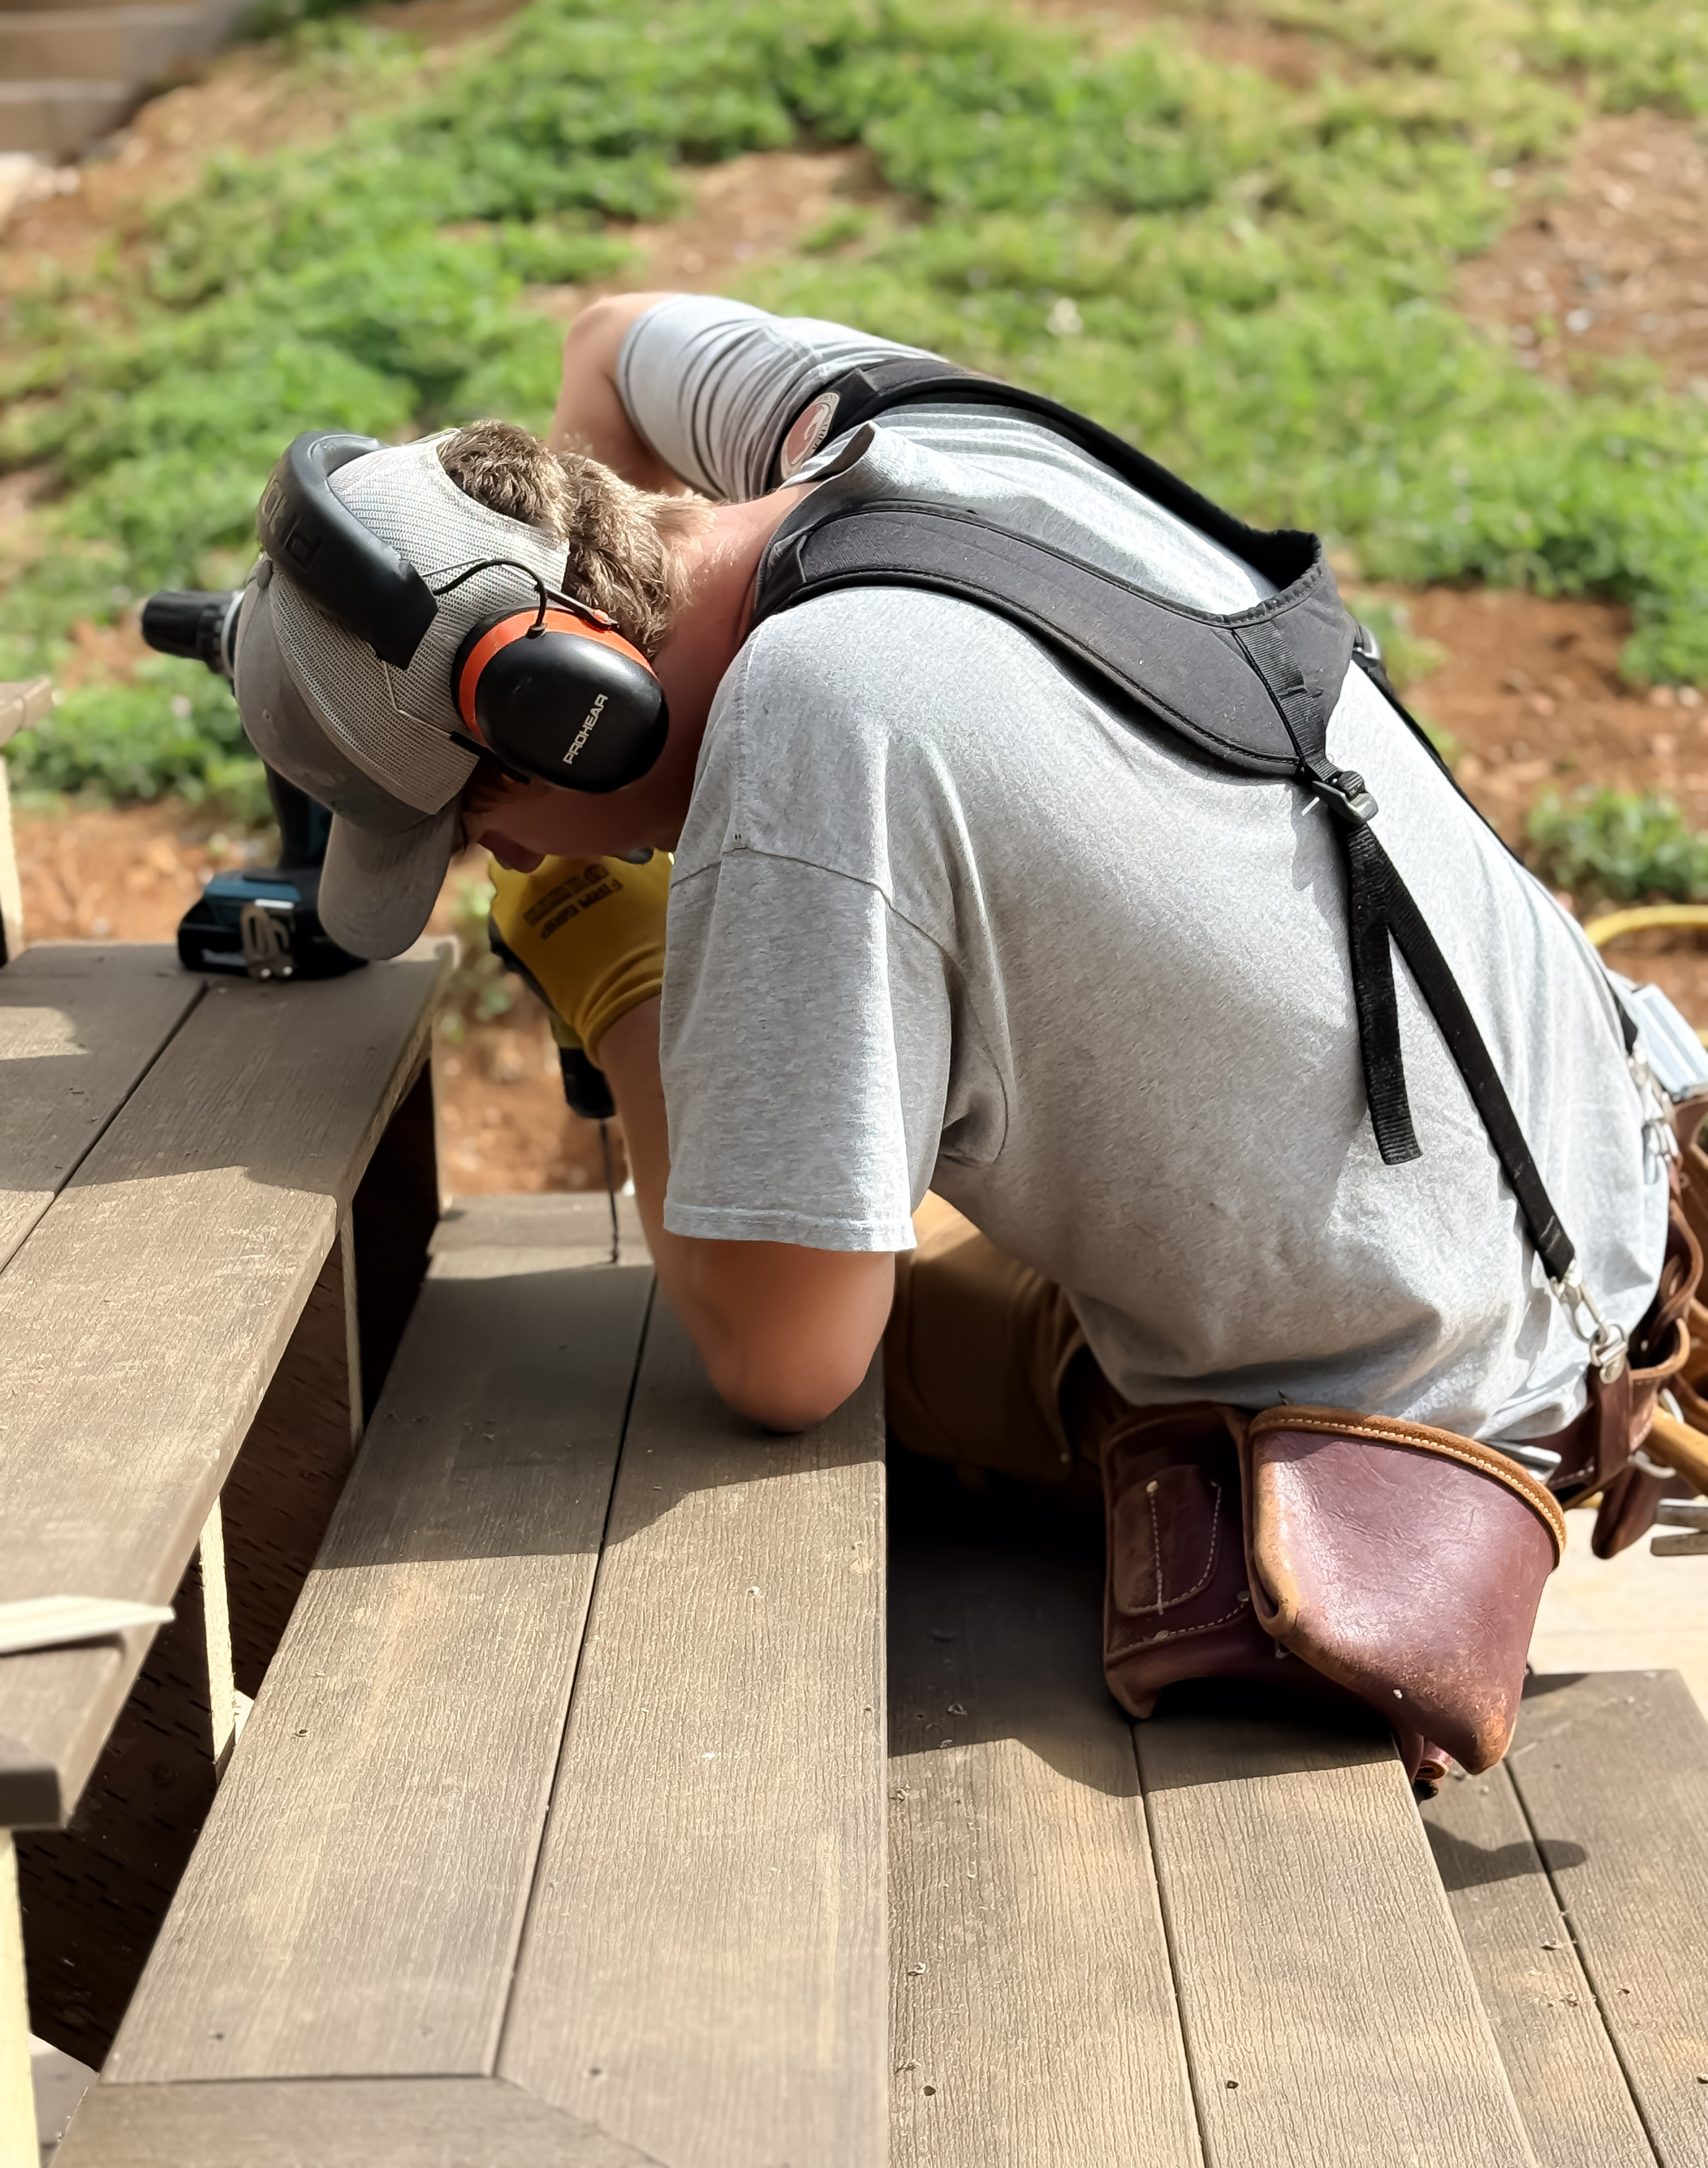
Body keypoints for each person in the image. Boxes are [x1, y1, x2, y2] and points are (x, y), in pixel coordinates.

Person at [233, 291, 1684, 1777]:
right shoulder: (904, 427)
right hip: (1613, 1160)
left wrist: (631, 979)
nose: (522, 867)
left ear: (572, 709)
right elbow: (611, 338)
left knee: (747, 1335)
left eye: (480, 823)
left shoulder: (812, 727)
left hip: (1435, 1399)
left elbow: (779, 1360)